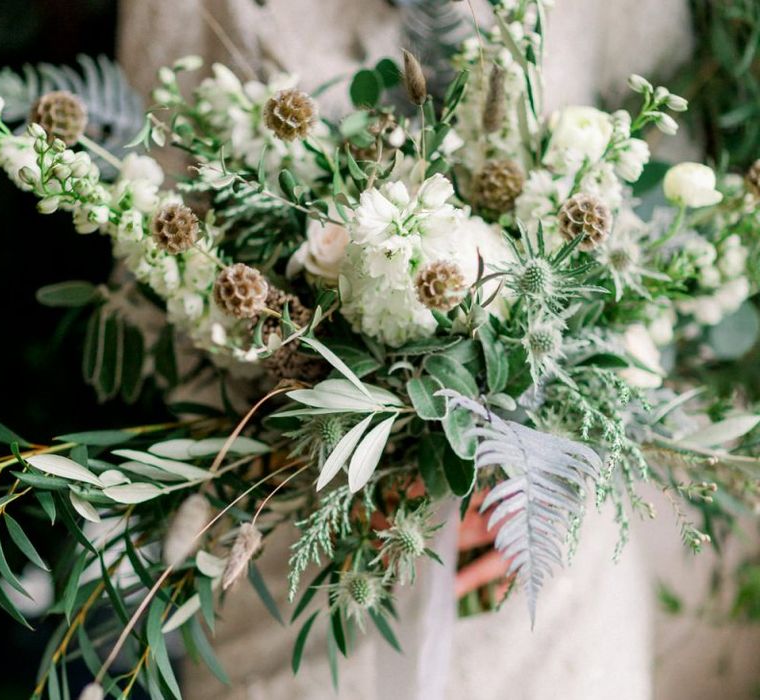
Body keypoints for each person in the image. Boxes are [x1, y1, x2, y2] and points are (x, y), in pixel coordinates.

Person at [117, 2, 760, 698]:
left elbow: (663, 247)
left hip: (547, 571)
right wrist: (342, 448)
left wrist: (544, 465)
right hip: (309, 565)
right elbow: (156, 289)